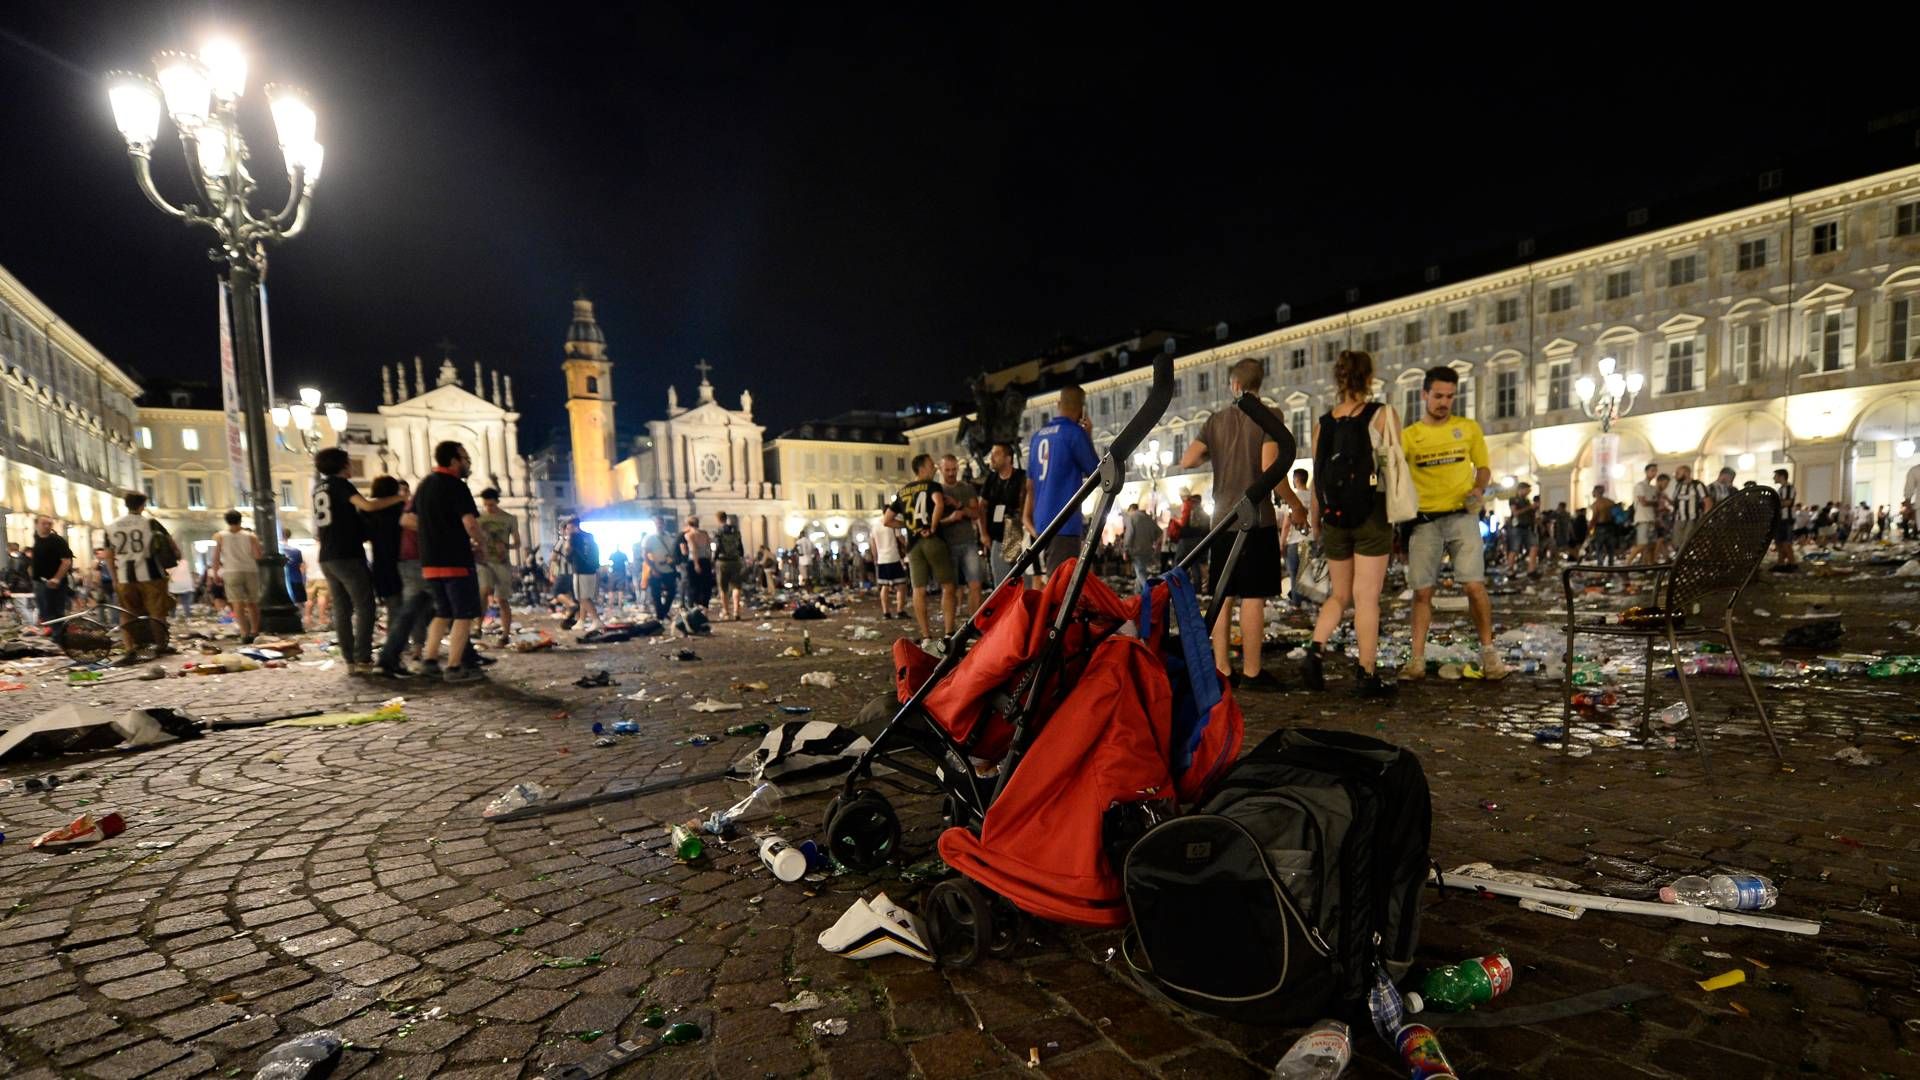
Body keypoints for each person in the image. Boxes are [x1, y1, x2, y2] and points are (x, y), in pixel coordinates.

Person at [1179, 357, 1310, 690]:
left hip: (1221, 518)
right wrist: (1295, 505)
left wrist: (1218, 452)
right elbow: (1271, 468)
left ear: (1233, 385)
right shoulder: (1270, 417)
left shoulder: (1215, 420)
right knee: (1253, 597)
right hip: (1256, 518)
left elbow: (1188, 459)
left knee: (1223, 595)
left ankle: (1222, 668)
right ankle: (1252, 672)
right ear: (1257, 385)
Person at [1401, 366, 1509, 681]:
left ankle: (1489, 654)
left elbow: (1484, 468)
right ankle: (1417, 659)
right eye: (1438, 396)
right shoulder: (1411, 436)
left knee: (1474, 586)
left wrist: (1478, 488)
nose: (1444, 402)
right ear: (1424, 395)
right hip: (1425, 521)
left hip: (1463, 516)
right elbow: (1395, 472)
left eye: (1449, 396)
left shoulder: (1468, 428)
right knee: (1422, 592)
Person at [1304, 349, 1399, 698]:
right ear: (1369, 378)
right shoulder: (1381, 415)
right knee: (1367, 598)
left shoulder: (1322, 424)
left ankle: (1315, 649)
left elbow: (1317, 477)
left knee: (1340, 593)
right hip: (1372, 514)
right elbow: (1395, 468)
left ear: (1338, 379)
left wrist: (1317, 520)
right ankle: (1366, 673)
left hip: (1334, 518)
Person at [313, 448, 404, 674]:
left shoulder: (319, 488)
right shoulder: (340, 484)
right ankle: (362, 657)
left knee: (342, 609)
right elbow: (368, 506)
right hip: (347, 554)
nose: (352, 467)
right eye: (349, 463)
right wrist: (400, 498)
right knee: (365, 606)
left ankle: (350, 659)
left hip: (327, 556)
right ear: (342, 465)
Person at [412, 441, 487, 681]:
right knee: (463, 614)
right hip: (456, 559)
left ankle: (430, 661)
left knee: (442, 612)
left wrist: (431, 533)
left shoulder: (424, 485)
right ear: (454, 461)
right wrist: (481, 545)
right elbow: (470, 523)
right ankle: (454, 667)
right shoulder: (456, 486)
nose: (468, 463)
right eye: (465, 459)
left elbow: (407, 520)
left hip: (430, 561)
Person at [1022, 384, 1101, 580]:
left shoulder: (1037, 437)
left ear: (1058, 404)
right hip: (1064, 522)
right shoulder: (1074, 433)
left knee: (1053, 579)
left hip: (1042, 522)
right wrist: (1088, 436)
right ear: (1082, 409)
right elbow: (1096, 473)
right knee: (1062, 587)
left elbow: (1030, 484)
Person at [892, 453, 955, 648]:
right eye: (931, 465)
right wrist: (933, 526)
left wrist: (908, 526)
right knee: (948, 586)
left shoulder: (903, 492)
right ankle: (948, 632)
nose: (934, 468)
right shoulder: (932, 486)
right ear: (921, 469)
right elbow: (938, 503)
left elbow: (887, 520)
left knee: (918, 590)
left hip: (913, 545)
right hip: (932, 540)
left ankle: (926, 635)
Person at [105, 492, 174, 663]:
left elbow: (108, 554)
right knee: (157, 612)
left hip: (124, 576)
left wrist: (114, 578)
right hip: (150, 574)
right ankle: (160, 645)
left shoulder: (112, 525)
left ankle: (129, 648)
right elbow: (169, 543)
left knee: (127, 613)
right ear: (143, 505)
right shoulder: (150, 523)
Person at [374, 479, 430, 679]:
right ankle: (413, 654)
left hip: (393, 563)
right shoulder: (406, 508)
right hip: (414, 561)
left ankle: (393, 656)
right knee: (414, 610)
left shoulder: (375, 511)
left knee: (404, 611)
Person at [938, 455, 988, 616]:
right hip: (947, 544)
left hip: (968, 542)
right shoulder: (937, 490)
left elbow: (976, 513)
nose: (951, 473)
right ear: (940, 469)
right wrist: (950, 518)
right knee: (949, 588)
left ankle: (973, 625)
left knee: (975, 584)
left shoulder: (966, 488)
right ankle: (950, 629)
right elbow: (934, 522)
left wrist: (958, 505)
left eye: (954, 469)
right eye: (947, 470)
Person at [209, 510, 264, 642]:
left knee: (237, 604)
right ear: (240, 520)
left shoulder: (220, 536)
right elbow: (257, 555)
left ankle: (244, 634)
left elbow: (216, 557)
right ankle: (254, 631)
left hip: (231, 572)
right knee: (252, 603)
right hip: (250, 571)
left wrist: (215, 572)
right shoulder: (251, 536)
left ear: (227, 521)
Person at [980, 441, 1029, 586]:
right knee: (1001, 583)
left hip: (1018, 533)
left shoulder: (1021, 477)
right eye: (992, 454)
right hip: (998, 537)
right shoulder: (991, 479)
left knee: (1024, 580)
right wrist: (983, 533)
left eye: (996, 454)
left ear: (1008, 458)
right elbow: (981, 506)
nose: (992, 458)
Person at [477, 488, 520, 640]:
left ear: (497, 502)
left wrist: (506, 546)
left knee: (502, 599)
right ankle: (477, 627)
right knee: (484, 591)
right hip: (484, 562)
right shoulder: (479, 518)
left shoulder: (509, 518)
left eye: (491, 505)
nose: (489, 508)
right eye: (486, 505)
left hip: (502, 562)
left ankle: (505, 634)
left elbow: (517, 543)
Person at [29, 516, 74, 644]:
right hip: (39, 582)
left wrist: (57, 579)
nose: (47, 526)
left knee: (56, 612)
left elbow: (66, 562)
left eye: (50, 524)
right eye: (44, 523)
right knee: (45, 612)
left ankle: (60, 639)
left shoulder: (57, 540)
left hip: (54, 583)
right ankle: (57, 636)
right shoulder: (36, 539)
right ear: (37, 524)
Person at [564, 518, 602, 631]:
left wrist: (567, 540)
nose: (567, 530)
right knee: (585, 596)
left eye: (568, 528)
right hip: (592, 570)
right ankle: (581, 620)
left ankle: (596, 620)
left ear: (574, 526)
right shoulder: (590, 536)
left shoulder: (573, 537)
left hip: (580, 570)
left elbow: (567, 551)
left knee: (582, 597)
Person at [1282, 469, 1313, 606]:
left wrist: (1282, 542)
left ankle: (1297, 607)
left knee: (1294, 576)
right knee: (1308, 577)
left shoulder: (1294, 498)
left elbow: (1287, 524)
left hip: (1295, 542)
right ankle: (1309, 605)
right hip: (1310, 541)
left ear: (1295, 479)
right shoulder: (1313, 497)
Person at [871, 507, 907, 619]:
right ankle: (900, 611)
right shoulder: (892, 523)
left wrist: (876, 558)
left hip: (882, 559)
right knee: (901, 586)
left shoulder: (875, 526)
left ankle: (886, 612)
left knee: (885, 586)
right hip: (893, 557)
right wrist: (908, 545)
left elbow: (872, 544)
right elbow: (899, 537)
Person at [713, 511, 747, 620]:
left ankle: (726, 612)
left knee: (723, 588)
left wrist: (714, 559)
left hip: (723, 561)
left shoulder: (718, 531)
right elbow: (740, 547)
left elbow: (718, 546)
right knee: (736, 586)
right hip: (735, 561)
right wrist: (740, 556)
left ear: (718, 519)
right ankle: (737, 611)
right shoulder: (735, 531)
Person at [641, 524, 679, 620]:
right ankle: (660, 615)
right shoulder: (649, 538)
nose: (660, 526)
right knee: (656, 593)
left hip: (668, 568)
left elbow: (674, 552)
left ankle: (663, 612)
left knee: (672, 591)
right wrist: (653, 568)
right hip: (655, 569)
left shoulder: (669, 537)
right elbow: (645, 555)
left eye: (661, 523)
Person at [1627, 463, 1660, 564]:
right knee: (1642, 543)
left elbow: (1653, 503)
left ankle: (1647, 564)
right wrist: (1654, 503)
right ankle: (1627, 563)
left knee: (1651, 545)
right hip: (1642, 518)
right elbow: (1643, 502)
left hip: (1651, 518)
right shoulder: (1640, 486)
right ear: (1646, 472)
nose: (1654, 473)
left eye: (1655, 471)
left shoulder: (1653, 488)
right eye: (1652, 470)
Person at [1670, 465, 1707, 553]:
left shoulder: (1697, 485)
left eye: (1678, 473)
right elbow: (1676, 503)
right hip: (1679, 519)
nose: (1676, 475)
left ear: (1686, 473)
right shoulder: (1678, 486)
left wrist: (1705, 518)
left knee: (1688, 542)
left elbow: (1707, 501)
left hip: (1692, 518)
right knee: (1677, 543)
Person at [1121, 502, 1159, 590]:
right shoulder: (1147, 517)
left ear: (1130, 509)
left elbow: (1129, 534)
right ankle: (1137, 593)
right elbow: (1158, 531)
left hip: (1136, 550)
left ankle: (1150, 592)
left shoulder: (1131, 517)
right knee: (1140, 572)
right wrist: (1151, 540)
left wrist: (1125, 550)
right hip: (1148, 549)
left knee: (1140, 572)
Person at [681, 516, 714, 610]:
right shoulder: (704, 534)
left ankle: (693, 608)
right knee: (706, 585)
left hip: (694, 561)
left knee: (693, 585)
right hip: (705, 560)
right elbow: (709, 548)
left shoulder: (689, 535)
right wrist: (710, 559)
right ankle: (705, 608)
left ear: (688, 524)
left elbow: (693, 549)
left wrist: (696, 564)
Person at [1506, 483, 1537, 575]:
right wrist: (1529, 508)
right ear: (1521, 489)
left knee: (1534, 546)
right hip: (1517, 527)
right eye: (1527, 490)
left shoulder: (1527, 500)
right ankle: (1510, 569)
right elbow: (1515, 513)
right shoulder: (1514, 500)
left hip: (1527, 527)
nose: (1529, 492)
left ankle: (1531, 569)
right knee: (1514, 549)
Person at [1771, 468, 1798, 567]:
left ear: (1781, 476)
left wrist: (1774, 504)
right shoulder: (1780, 489)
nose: (1773, 478)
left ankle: (1792, 563)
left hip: (1787, 519)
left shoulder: (1789, 488)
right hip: (1780, 519)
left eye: (1775, 476)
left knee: (1786, 543)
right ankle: (1780, 563)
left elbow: (1788, 502)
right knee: (1779, 542)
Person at [283, 530, 308, 609]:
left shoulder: (278, 550)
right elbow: (302, 567)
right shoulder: (296, 551)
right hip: (296, 578)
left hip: (283, 579)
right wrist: (304, 578)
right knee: (299, 603)